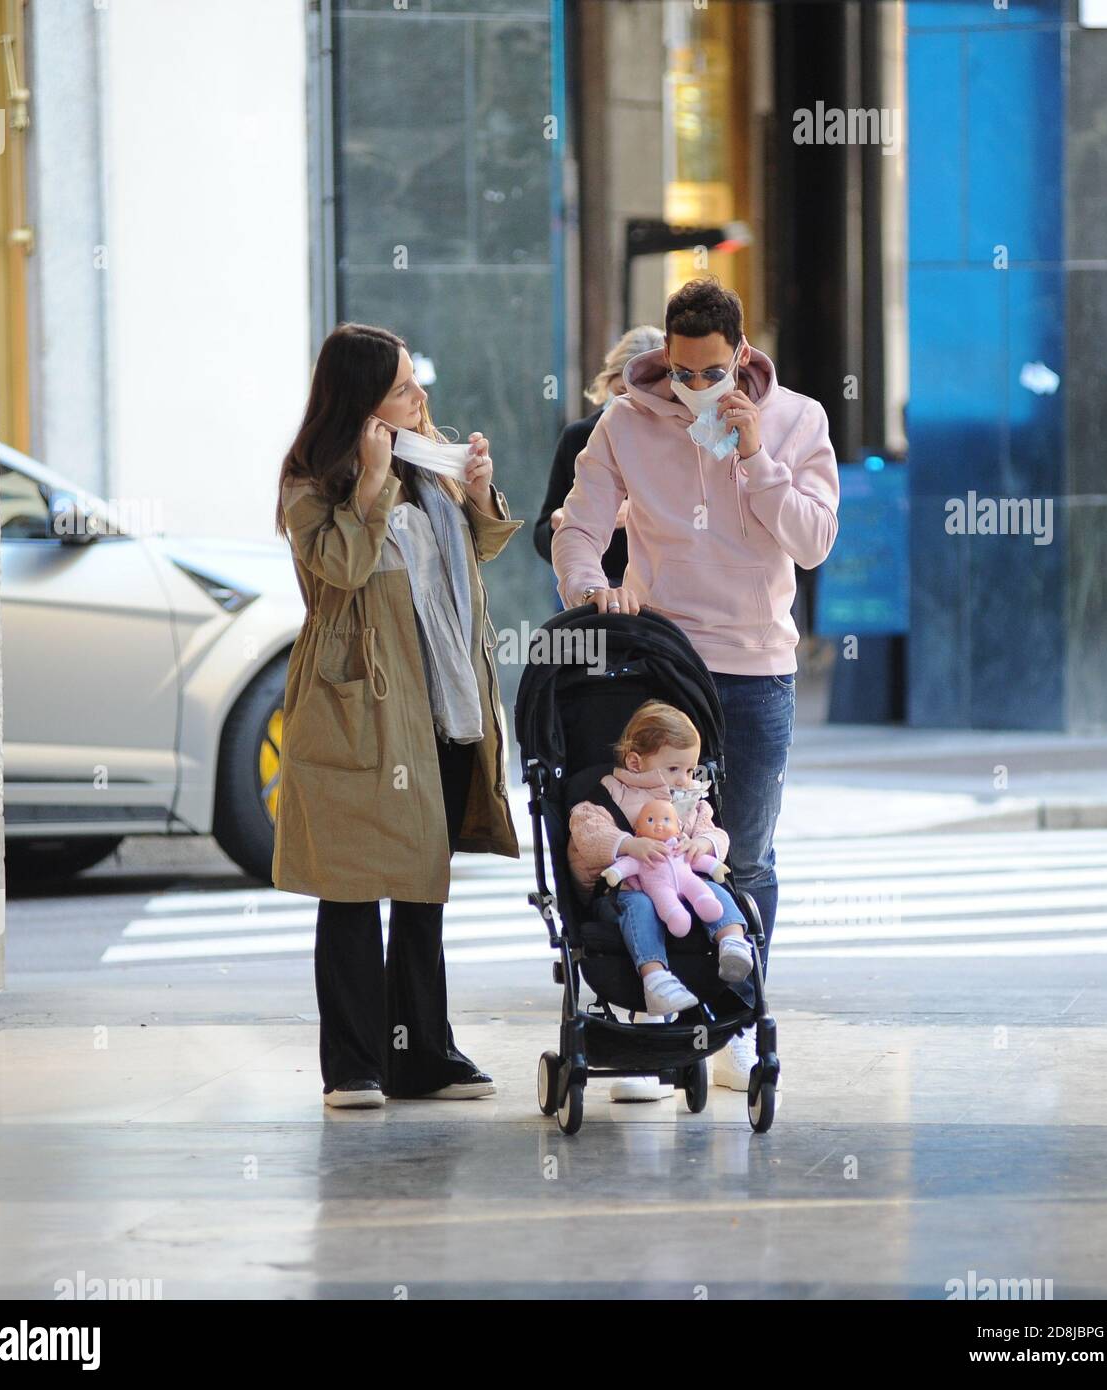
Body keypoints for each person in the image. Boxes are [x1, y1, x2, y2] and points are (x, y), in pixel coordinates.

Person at [552, 276, 839, 1094]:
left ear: (741, 358)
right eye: (681, 371)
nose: (694, 387)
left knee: (740, 855)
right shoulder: (624, 423)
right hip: (661, 662)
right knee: (651, 845)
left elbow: (813, 542)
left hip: (755, 668)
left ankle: (738, 1024)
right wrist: (588, 592)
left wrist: (756, 456)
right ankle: (660, 1015)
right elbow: (577, 523)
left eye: (711, 372)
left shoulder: (798, 419)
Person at [272, 322, 522, 1109]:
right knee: (349, 883)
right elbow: (342, 568)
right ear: (362, 406)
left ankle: (423, 1054)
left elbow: (469, 556)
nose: (422, 399)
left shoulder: (427, 461)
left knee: (422, 882)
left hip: (441, 698)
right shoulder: (312, 481)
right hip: (359, 705)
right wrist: (371, 484)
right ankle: (352, 1064)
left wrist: (477, 493)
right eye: (404, 389)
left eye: (418, 382)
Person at [568, 701, 757, 1021]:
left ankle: (732, 943)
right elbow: (586, 830)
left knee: (716, 891)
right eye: (673, 770)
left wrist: (702, 844)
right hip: (627, 891)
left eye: (689, 769)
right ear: (635, 762)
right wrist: (628, 844)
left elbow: (716, 833)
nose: (684, 780)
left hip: (683, 888)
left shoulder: (688, 800)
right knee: (641, 907)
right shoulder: (611, 794)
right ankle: (655, 978)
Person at [533, 326, 665, 600]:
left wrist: (639, 512)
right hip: (591, 590)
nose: (630, 405)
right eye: (622, 392)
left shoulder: (671, 439)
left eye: (642, 395)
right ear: (607, 382)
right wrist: (561, 524)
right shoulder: (579, 436)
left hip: (655, 595)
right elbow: (542, 531)